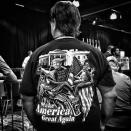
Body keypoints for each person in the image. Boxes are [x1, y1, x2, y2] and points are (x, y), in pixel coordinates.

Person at [20, 1, 116, 131]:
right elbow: (110, 95)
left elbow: (26, 99)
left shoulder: (36, 54)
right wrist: (103, 122)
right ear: (78, 24)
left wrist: (37, 124)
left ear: (53, 22)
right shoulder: (96, 54)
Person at [105, 56, 131, 131]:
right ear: (117, 67)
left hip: (107, 121)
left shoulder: (100, 80)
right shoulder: (126, 78)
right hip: (125, 122)